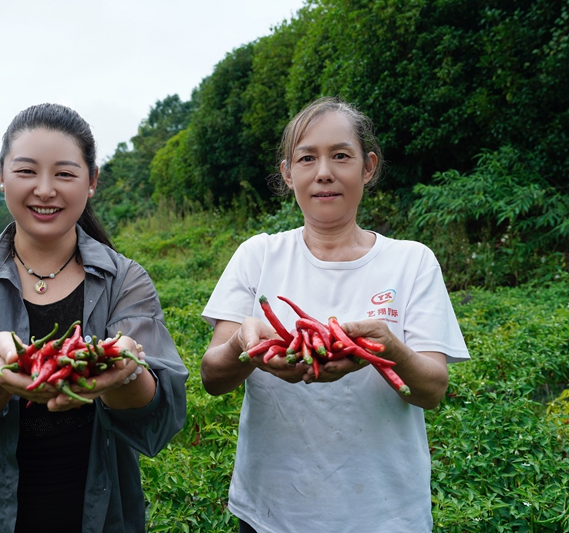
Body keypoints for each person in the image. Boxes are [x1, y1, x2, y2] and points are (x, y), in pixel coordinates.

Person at [0, 103, 188, 533]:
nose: (44, 189)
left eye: (64, 173)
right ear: (1, 175)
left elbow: (158, 420)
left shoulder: (125, 279)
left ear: (91, 181)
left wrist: (126, 369)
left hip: (102, 515)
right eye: (26, 171)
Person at [200, 96, 470, 533]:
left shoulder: (412, 262)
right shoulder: (258, 255)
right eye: (307, 158)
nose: (324, 171)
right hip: (271, 514)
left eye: (341, 156)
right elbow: (213, 378)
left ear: (368, 167)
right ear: (288, 173)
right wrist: (242, 345)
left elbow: (431, 390)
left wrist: (390, 350)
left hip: (386, 515)